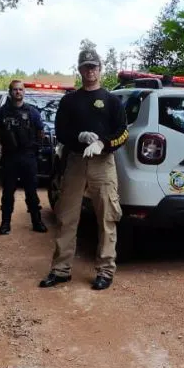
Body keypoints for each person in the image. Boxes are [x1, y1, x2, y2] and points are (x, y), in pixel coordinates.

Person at [40, 49, 129, 291]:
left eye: (94, 66)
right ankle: (61, 269)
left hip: (103, 163)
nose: (90, 70)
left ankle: (105, 270)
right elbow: (60, 130)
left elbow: (123, 132)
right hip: (76, 161)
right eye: (85, 66)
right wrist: (79, 136)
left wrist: (103, 142)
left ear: (100, 68)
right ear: (79, 70)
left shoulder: (112, 101)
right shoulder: (70, 101)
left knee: (106, 217)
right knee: (67, 216)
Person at [0, 79, 48, 235]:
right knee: (8, 191)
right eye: (15, 90)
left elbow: (40, 132)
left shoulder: (32, 112)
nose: (18, 92)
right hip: (10, 156)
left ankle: (37, 221)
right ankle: (5, 223)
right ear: (10, 92)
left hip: (28, 156)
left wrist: (33, 146)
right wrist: (7, 143)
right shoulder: (2, 112)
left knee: (32, 191)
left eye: (21, 90)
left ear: (24, 92)